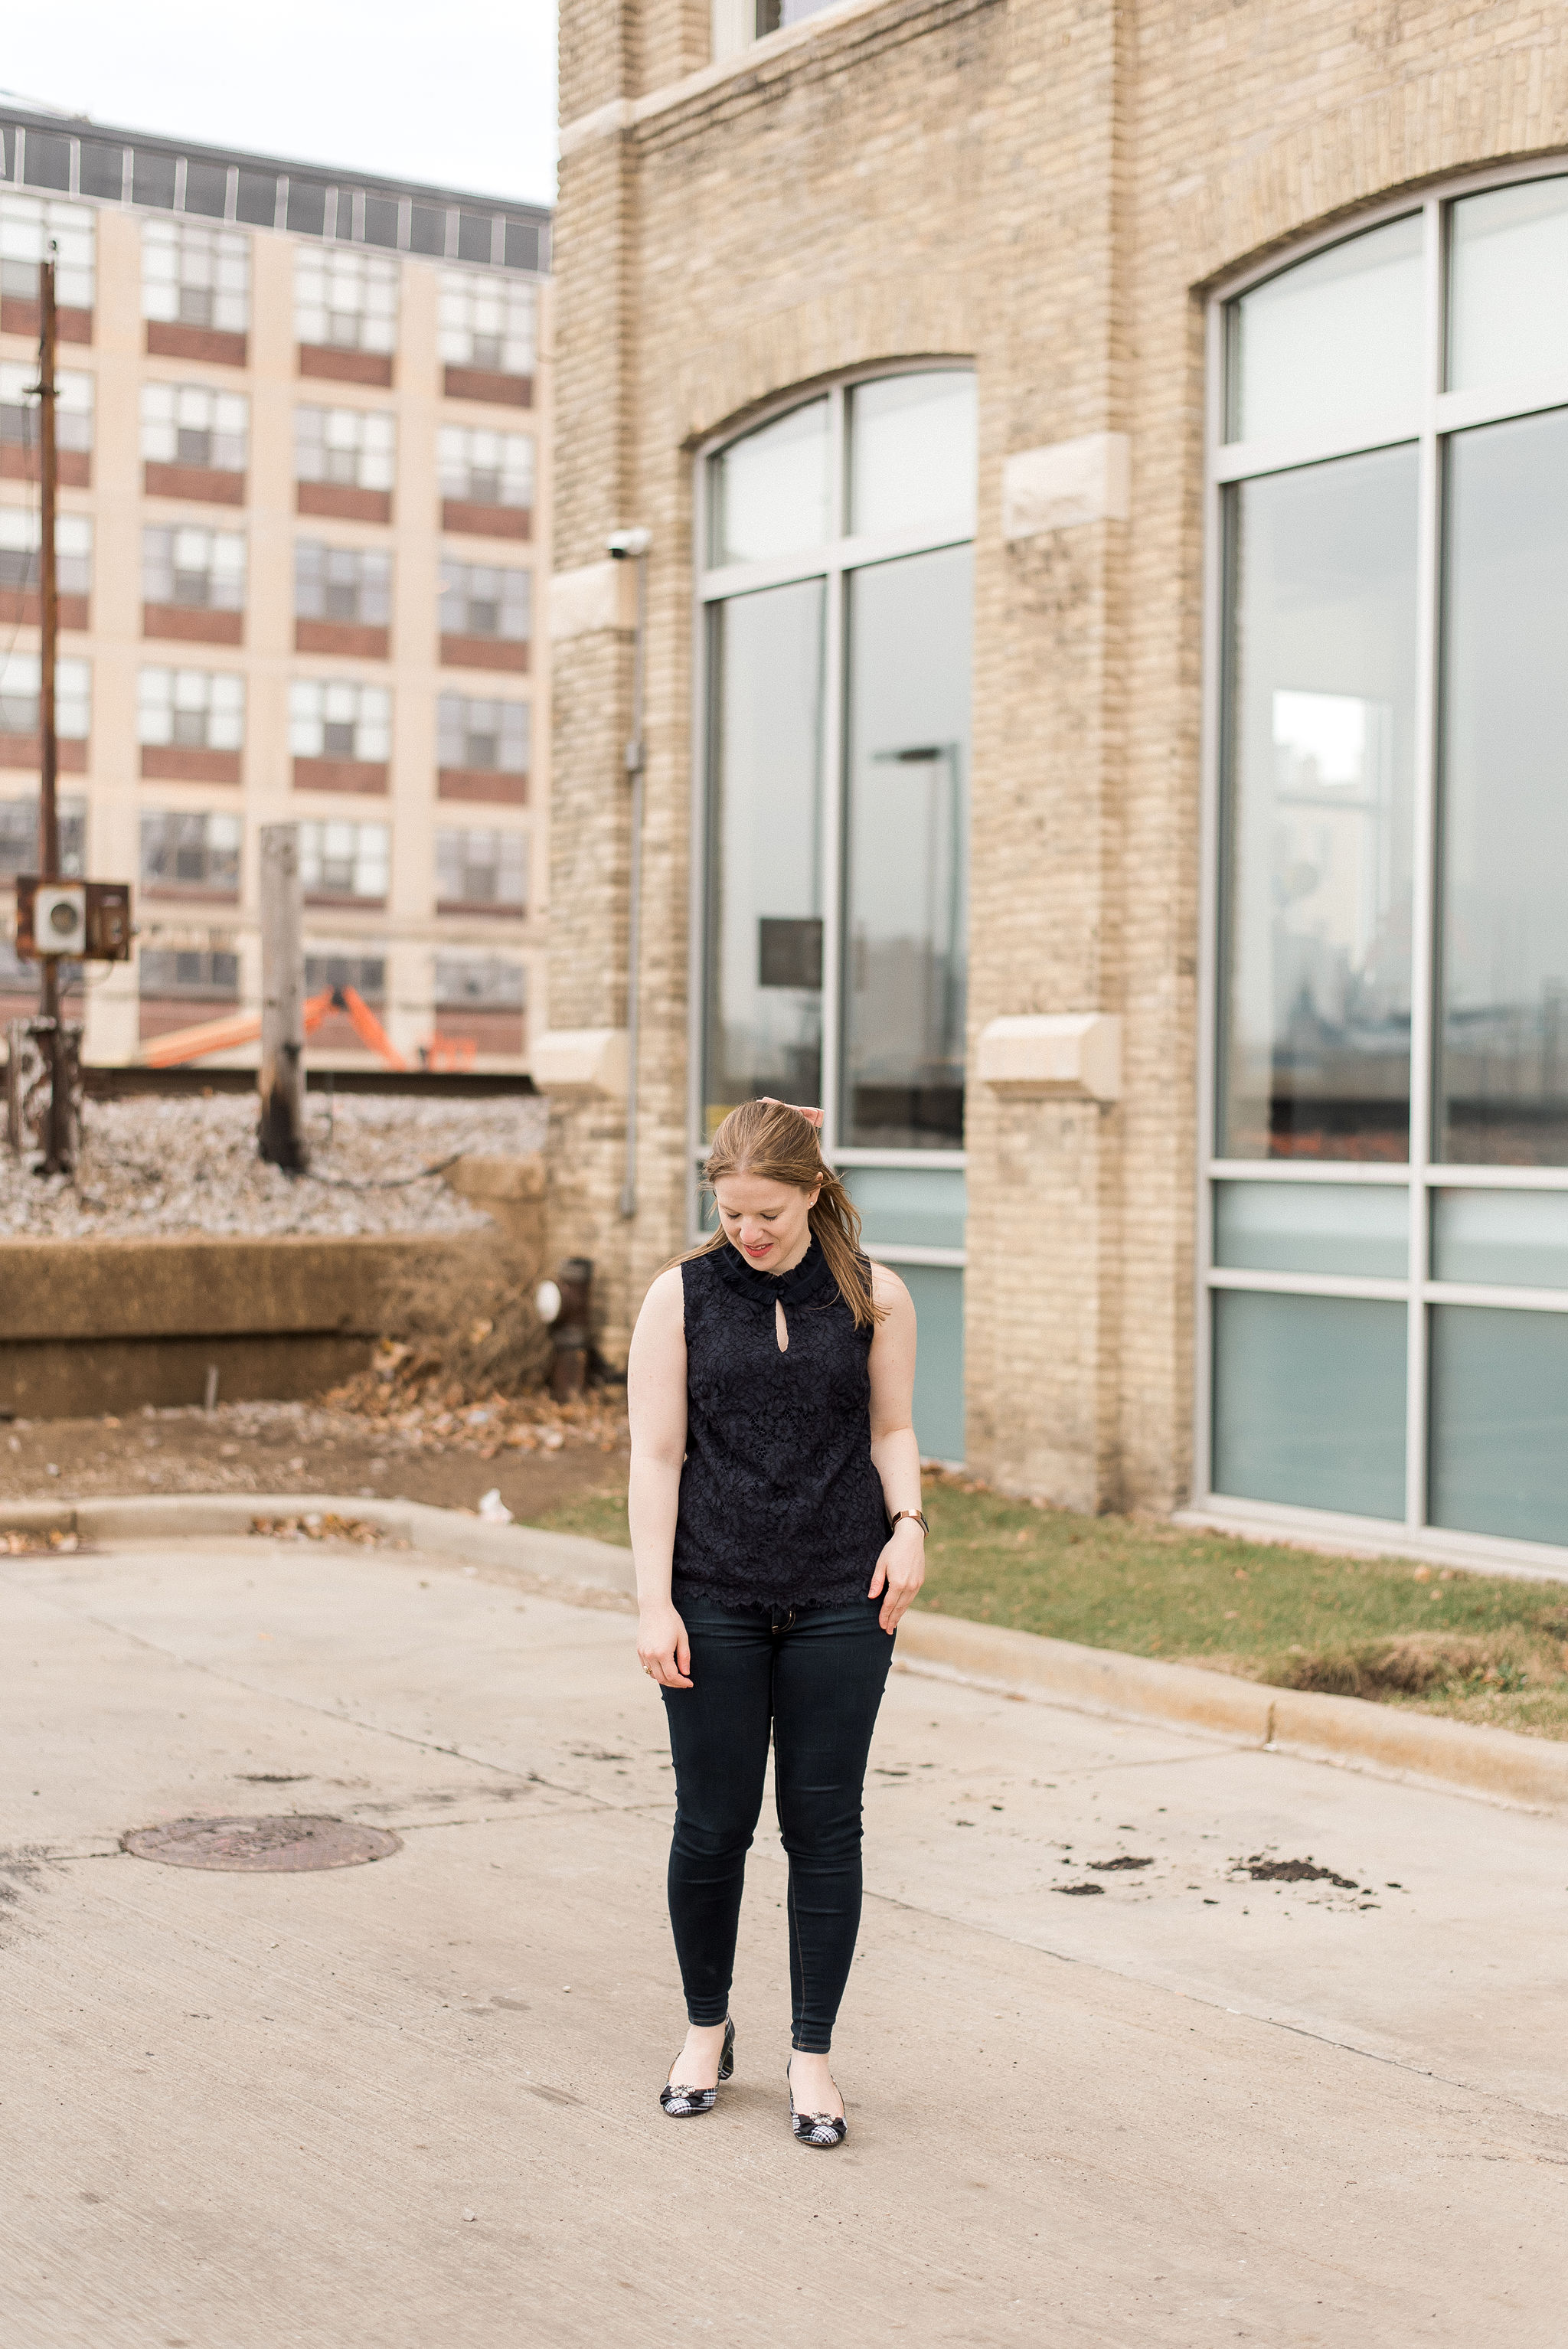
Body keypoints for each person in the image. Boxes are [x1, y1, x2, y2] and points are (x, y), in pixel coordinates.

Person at [626, 1096, 926, 2148]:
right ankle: (706, 2032)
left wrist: (911, 1525)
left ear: (814, 1193)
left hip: (846, 1597)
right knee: (711, 1831)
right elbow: (656, 1456)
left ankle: (812, 2061)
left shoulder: (874, 1296)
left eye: (769, 1212)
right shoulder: (682, 1297)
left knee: (824, 1831)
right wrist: (654, 1599)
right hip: (713, 1595)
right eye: (731, 1211)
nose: (749, 1232)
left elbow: (892, 1426)